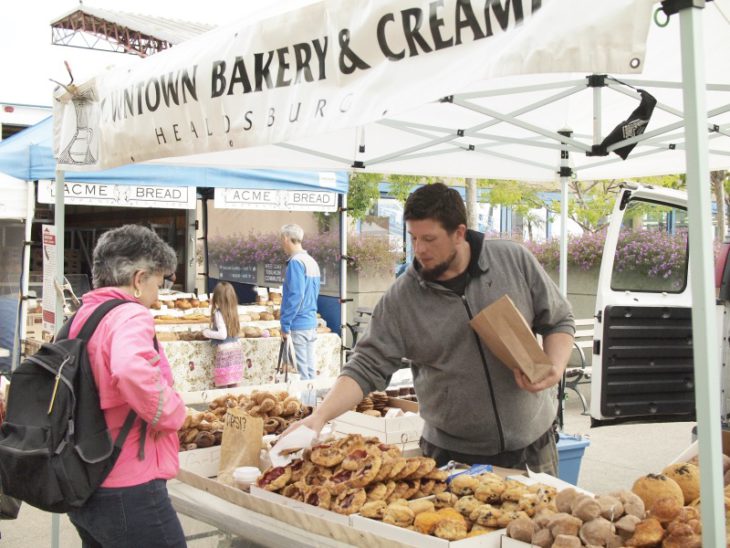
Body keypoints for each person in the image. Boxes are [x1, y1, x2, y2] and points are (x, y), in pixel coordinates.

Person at [283, 183, 575, 475]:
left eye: (430, 238)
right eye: (413, 238)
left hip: (534, 447)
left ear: (459, 233)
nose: (419, 249)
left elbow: (559, 320)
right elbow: (365, 366)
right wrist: (320, 417)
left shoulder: (513, 260)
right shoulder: (401, 299)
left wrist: (555, 367)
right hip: (454, 456)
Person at [66, 224, 187, 547]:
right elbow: (130, 367)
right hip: (129, 483)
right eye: (158, 283)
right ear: (138, 279)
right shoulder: (130, 314)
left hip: (84, 480)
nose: (157, 296)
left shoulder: (83, 315)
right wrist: (173, 413)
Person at [279, 224, 321, 380]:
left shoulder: (296, 262)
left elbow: (296, 296)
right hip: (310, 322)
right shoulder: (311, 261)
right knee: (309, 372)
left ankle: (304, 404)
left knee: (300, 374)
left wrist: (285, 324)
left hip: (298, 324)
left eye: (281, 240)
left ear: (285, 238)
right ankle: (311, 404)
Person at [203, 281, 244, 388]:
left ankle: (223, 403)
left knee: (223, 383)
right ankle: (235, 403)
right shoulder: (234, 311)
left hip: (225, 350)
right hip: (236, 348)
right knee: (233, 381)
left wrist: (207, 332)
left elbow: (222, 335)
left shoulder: (218, 313)